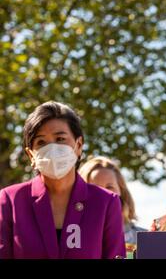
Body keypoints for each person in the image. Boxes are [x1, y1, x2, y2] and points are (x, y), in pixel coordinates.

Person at [0, 101, 125, 259]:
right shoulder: (10, 200)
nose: (52, 148)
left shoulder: (106, 202)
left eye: (60, 139)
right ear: (31, 154)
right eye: (41, 142)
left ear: (78, 145)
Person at [79, 156, 145, 257]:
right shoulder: (72, 239)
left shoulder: (143, 239)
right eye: (95, 188)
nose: (104, 194)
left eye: (109, 187)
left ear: (121, 191)